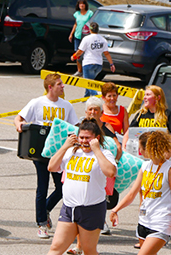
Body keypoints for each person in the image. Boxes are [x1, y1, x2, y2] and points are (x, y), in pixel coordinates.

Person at [14, 73, 79, 239]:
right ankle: (42, 224)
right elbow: (19, 117)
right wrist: (19, 125)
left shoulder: (67, 106)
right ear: (50, 87)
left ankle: (46, 208)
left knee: (63, 188)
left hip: (60, 154)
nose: (63, 86)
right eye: (59, 84)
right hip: (42, 153)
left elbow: (76, 126)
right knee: (42, 187)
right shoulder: (37, 103)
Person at [109, 130, 171, 255]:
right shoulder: (145, 166)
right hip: (143, 221)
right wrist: (115, 210)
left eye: (141, 148)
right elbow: (132, 194)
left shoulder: (170, 169)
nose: (139, 151)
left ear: (150, 148)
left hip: (161, 223)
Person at [46, 119, 117, 255]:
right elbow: (52, 167)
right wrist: (65, 147)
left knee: (89, 250)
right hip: (69, 208)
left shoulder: (104, 154)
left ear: (96, 138)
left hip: (92, 209)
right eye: (81, 137)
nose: (84, 141)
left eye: (88, 138)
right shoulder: (71, 152)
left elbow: (111, 172)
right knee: (56, 248)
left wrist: (96, 150)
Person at [67, 97, 123, 254]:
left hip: (99, 170)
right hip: (80, 170)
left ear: (101, 112)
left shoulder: (106, 127)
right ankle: (79, 246)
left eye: (95, 110)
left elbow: (117, 146)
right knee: (79, 204)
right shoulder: (81, 127)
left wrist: (115, 160)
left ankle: (88, 240)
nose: (92, 112)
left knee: (94, 200)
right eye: (90, 109)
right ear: (86, 111)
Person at [123, 85, 171, 149]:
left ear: (157, 98)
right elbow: (128, 133)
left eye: (148, 95)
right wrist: (123, 148)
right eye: (145, 95)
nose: (144, 97)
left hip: (160, 153)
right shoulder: (141, 114)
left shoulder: (167, 114)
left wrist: (170, 150)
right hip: (142, 153)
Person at [71, 22, 116, 97]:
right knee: (90, 82)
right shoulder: (103, 40)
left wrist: (74, 56)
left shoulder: (86, 39)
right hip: (98, 65)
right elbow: (106, 53)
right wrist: (111, 64)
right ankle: (86, 99)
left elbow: (80, 51)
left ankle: (98, 96)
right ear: (98, 30)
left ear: (90, 30)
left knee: (87, 83)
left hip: (88, 63)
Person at [70, 0, 93, 77]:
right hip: (78, 36)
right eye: (80, 4)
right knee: (77, 53)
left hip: (86, 36)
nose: (81, 5)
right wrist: (71, 34)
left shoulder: (89, 13)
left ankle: (86, 71)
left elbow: (91, 24)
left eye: (83, 4)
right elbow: (75, 24)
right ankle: (79, 71)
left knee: (86, 53)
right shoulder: (77, 13)